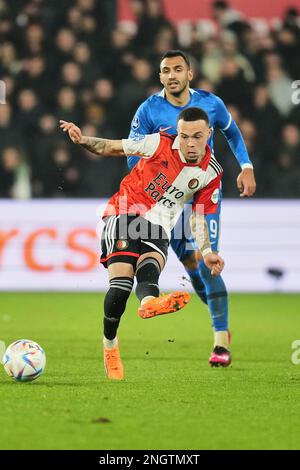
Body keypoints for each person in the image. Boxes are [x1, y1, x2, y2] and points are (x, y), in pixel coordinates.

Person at [60, 106, 226, 380]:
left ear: (208, 134)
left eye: (197, 136)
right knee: (122, 286)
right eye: (184, 136)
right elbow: (113, 147)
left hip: (160, 225)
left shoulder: (211, 171)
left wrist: (208, 251)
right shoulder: (158, 142)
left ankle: (149, 302)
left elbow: (198, 216)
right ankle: (110, 344)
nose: (190, 143)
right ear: (178, 133)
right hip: (125, 211)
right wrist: (83, 140)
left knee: (150, 266)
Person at [127, 49, 256, 366]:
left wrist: (246, 165)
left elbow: (232, 132)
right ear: (160, 77)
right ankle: (218, 318)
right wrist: (148, 189)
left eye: (177, 69)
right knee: (192, 268)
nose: (172, 75)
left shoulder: (211, 104)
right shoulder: (148, 110)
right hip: (167, 200)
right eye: (165, 70)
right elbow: (133, 151)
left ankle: (220, 341)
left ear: (189, 74)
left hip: (201, 193)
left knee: (206, 259)